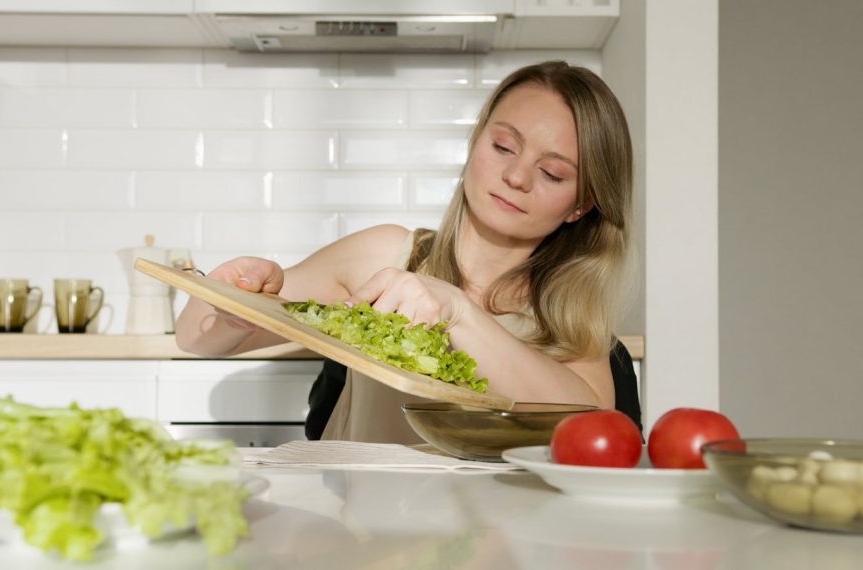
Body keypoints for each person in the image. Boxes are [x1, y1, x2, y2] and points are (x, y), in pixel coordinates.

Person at [175, 61, 634, 444]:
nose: (516, 177)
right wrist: (234, 302)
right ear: (476, 141)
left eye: (552, 173)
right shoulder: (386, 255)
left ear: (581, 205)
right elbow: (195, 337)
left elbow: (591, 424)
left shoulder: (570, 318)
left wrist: (458, 313)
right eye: (503, 147)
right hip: (356, 542)